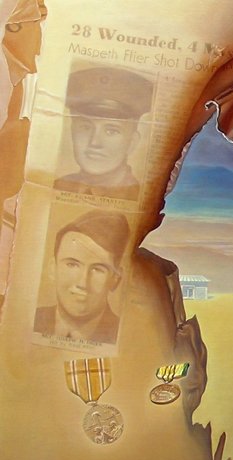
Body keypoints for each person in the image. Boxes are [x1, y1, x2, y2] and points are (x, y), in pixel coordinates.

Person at [54, 66, 153, 201]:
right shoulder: (58, 186)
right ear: (72, 132)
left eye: (111, 131)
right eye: (86, 128)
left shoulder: (140, 197)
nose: (95, 142)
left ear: (132, 142)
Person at [34, 210, 130, 344]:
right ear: (52, 269)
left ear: (115, 279)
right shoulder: (25, 321)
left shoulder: (128, 338)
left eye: (97, 269)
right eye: (72, 265)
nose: (82, 283)